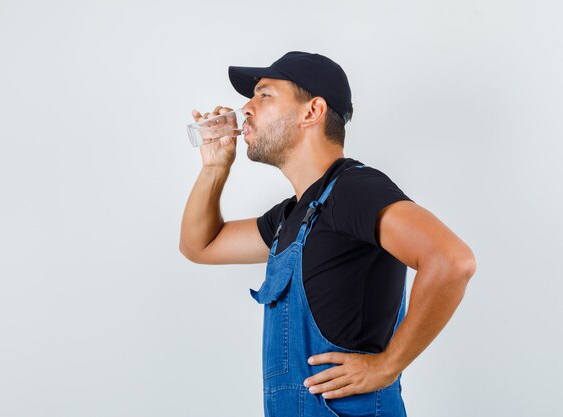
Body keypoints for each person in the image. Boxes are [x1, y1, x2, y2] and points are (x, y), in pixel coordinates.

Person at [179, 51, 476, 417]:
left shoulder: (354, 190)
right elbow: (200, 246)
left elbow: (452, 260)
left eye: (264, 94)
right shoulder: (291, 215)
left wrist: (387, 366)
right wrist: (214, 168)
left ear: (312, 111)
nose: (247, 108)